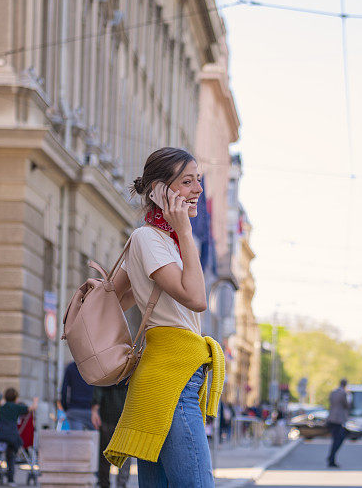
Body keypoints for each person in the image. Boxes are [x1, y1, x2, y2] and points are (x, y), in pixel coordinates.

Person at [102, 148, 225, 488]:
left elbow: (118, 296)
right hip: (172, 380)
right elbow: (198, 299)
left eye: (198, 180)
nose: (198, 189)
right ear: (160, 190)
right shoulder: (150, 239)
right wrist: (185, 231)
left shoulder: (160, 242)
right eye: (187, 182)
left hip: (169, 376)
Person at [0, 388, 38, 486]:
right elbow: (32, 408)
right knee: (11, 457)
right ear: (16, 398)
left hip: (0, 434)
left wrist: (0, 398)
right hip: (12, 436)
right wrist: (35, 401)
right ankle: (11, 480)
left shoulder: (1, 408)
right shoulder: (16, 407)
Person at [92, 382, 130, 488]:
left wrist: (95, 409)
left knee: (109, 454)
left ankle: (110, 484)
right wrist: (95, 410)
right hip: (115, 416)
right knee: (121, 454)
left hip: (118, 416)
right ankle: (115, 484)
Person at [57, 361, 93, 430]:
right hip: (90, 410)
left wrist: (66, 408)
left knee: (77, 439)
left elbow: (64, 389)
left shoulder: (71, 367)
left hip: (74, 409)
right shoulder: (94, 366)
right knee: (96, 439)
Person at [326, 379, 350, 468]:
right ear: (345, 384)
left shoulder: (333, 392)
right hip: (338, 419)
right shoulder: (343, 393)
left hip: (331, 418)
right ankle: (331, 458)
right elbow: (346, 405)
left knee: (336, 439)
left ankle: (331, 458)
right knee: (338, 439)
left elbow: (330, 403)